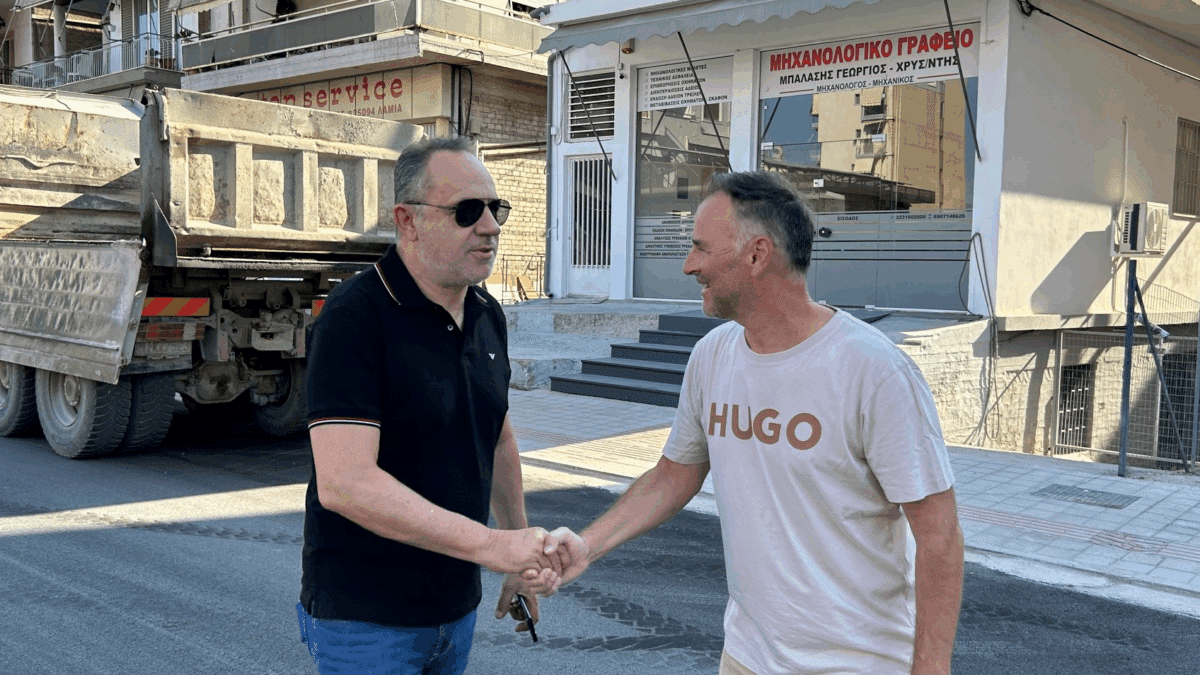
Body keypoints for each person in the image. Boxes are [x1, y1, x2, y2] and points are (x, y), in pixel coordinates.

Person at [551, 171, 964, 675]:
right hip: (746, 657)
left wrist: (931, 667)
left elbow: (939, 535)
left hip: (857, 663)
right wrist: (587, 546)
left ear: (756, 255)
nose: (689, 265)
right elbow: (673, 475)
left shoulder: (874, 371)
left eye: (701, 248)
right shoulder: (712, 356)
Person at [298, 136, 581, 674]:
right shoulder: (354, 317)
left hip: (456, 610)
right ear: (408, 220)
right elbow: (345, 483)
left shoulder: (487, 314)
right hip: (366, 620)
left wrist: (516, 554)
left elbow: (496, 436)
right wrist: (493, 546)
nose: (490, 226)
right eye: (467, 211)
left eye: (495, 209)